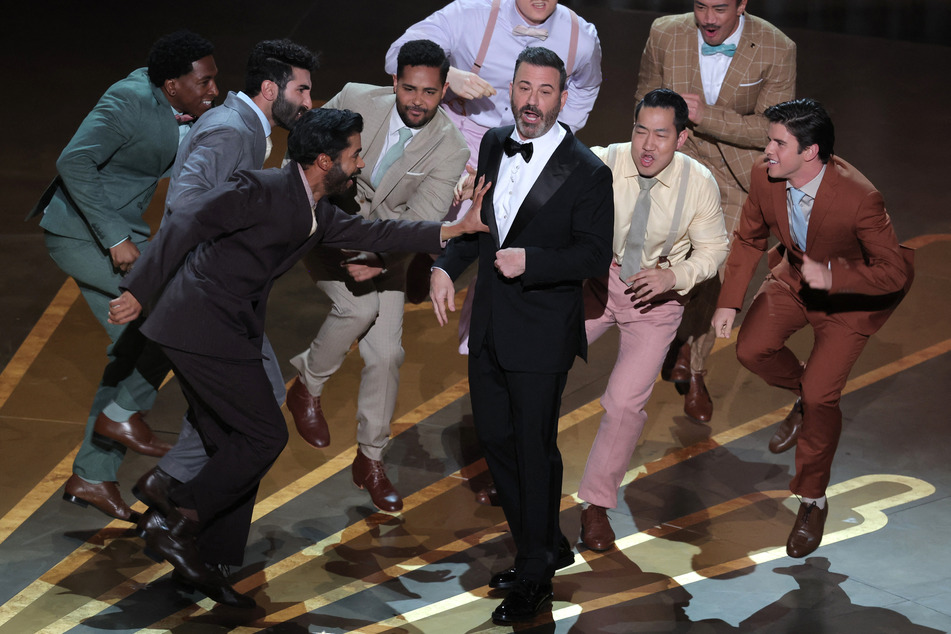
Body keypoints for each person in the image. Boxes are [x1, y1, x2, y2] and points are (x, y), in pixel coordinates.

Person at [108, 107, 489, 607]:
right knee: (263, 435)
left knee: (232, 441)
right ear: (324, 160)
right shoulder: (259, 190)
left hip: (227, 325)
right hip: (198, 322)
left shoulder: (316, 209)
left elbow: (375, 235)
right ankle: (175, 516)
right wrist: (140, 287)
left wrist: (453, 230)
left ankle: (209, 559)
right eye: (353, 156)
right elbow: (186, 221)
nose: (359, 166)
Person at [430, 47, 613, 624]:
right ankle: (546, 544)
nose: (531, 102)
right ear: (511, 89)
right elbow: (478, 222)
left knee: (533, 452)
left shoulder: (588, 171)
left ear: (563, 99)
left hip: (540, 334)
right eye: (524, 88)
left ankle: (536, 573)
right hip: (488, 327)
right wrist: (443, 264)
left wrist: (530, 260)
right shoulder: (492, 143)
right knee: (498, 441)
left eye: (544, 92)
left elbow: (592, 254)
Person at [132, 38, 317, 575]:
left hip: (213, 297)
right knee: (257, 415)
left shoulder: (245, 129)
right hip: (206, 301)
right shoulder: (231, 131)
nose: (309, 101)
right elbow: (187, 207)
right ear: (269, 88)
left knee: (231, 413)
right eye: (302, 90)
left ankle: (174, 496)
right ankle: (174, 502)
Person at [27, 30, 219, 523]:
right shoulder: (128, 100)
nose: (213, 90)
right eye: (204, 82)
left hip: (124, 234)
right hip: (82, 236)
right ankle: (118, 421)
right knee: (164, 327)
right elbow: (74, 161)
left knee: (137, 343)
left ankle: (93, 474)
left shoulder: (186, 106)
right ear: (172, 84)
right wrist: (116, 238)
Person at [711, 98, 911, 559]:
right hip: (796, 279)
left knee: (823, 398)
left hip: (847, 300)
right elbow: (748, 238)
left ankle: (812, 500)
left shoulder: (860, 197)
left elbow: (894, 272)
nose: (767, 151)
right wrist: (729, 302)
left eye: (778, 143)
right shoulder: (768, 176)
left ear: (811, 152)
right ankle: (804, 394)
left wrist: (835, 275)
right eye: (769, 140)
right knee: (751, 349)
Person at [285, 40, 469, 513]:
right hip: (326, 230)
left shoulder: (450, 147)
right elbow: (303, 154)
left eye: (429, 92)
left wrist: (380, 261)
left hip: (387, 251)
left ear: (444, 90)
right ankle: (309, 382)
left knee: (387, 354)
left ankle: (371, 459)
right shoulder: (355, 98)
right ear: (394, 82)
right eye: (409, 88)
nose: (417, 101)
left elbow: (421, 225)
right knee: (357, 307)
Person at [576, 89, 728, 552]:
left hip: (657, 300)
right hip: (600, 281)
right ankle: (514, 468)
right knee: (535, 361)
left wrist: (673, 277)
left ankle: (596, 506)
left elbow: (714, 249)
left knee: (624, 404)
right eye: (640, 130)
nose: (647, 144)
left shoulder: (699, 181)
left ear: (681, 138)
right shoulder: (606, 160)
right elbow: (549, 175)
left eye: (661, 134)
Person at [635, 0, 796, 422]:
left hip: (734, 177)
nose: (708, 18)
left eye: (720, 8)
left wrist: (707, 116)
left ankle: (695, 364)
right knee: (663, 264)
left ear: (742, 5)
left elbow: (773, 129)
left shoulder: (777, 47)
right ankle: (676, 344)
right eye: (700, 6)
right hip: (676, 166)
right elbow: (643, 102)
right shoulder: (665, 33)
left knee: (717, 270)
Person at [386, 0, 602, 312]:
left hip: (524, 140)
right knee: (436, 209)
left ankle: (474, 306)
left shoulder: (580, 36)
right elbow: (396, 55)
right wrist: (448, 75)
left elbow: (586, 86)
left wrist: (555, 130)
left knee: (508, 230)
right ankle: (432, 254)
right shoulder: (469, 14)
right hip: (458, 130)